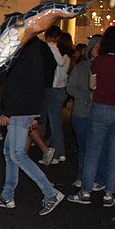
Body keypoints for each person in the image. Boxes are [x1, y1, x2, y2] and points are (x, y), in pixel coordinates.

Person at [0, 25, 64, 216]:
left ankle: (50, 193)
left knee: (17, 154)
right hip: (26, 108)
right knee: (10, 152)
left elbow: (16, 84)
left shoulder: (22, 51)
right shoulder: (36, 48)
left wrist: (9, 112)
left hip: (19, 109)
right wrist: (33, 112)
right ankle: (7, 195)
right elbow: (38, 82)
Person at [68, 26, 115, 208]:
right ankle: (109, 194)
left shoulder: (100, 60)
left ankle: (86, 192)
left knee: (93, 151)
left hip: (102, 107)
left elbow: (92, 86)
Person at [66, 37, 106, 191]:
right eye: (97, 47)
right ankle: (83, 176)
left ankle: (98, 178)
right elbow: (70, 88)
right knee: (84, 146)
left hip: (98, 112)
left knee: (98, 147)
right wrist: (86, 95)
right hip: (82, 112)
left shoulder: (105, 66)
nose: (99, 49)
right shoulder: (82, 67)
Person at [40, 28, 72, 165]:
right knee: (55, 122)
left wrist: (51, 45)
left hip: (54, 89)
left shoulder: (58, 53)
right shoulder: (67, 55)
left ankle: (57, 154)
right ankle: (59, 152)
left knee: (54, 124)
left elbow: (58, 63)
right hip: (61, 89)